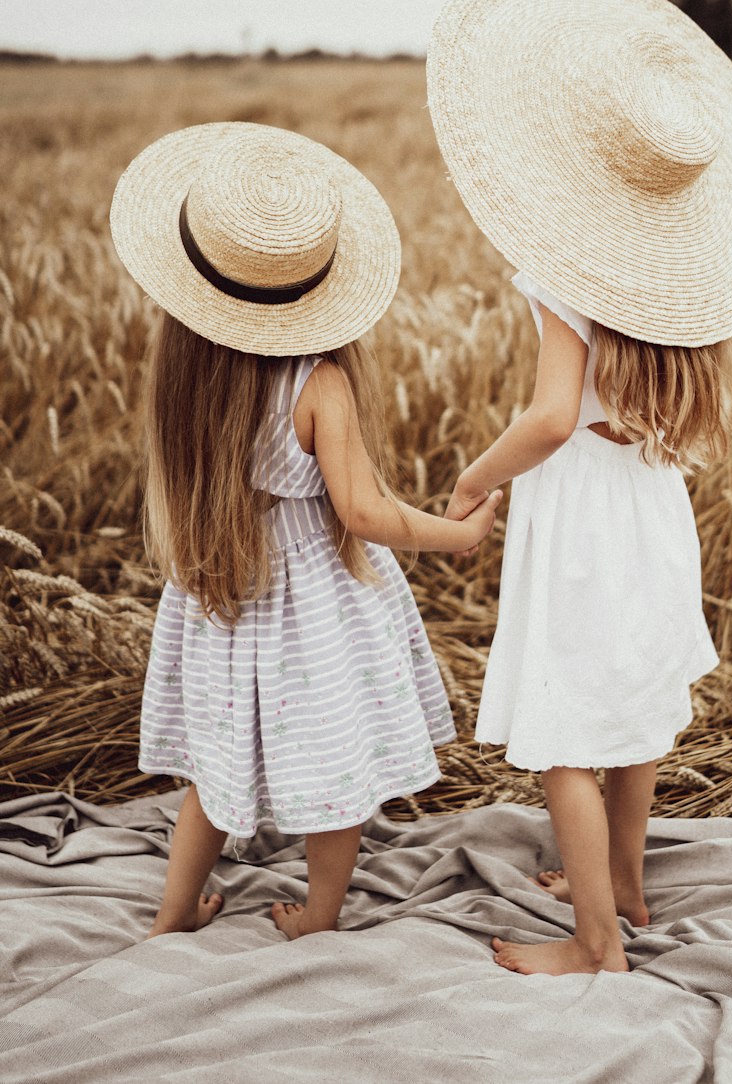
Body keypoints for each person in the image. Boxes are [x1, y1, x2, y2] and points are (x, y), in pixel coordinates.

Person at [426, 0, 732, 976]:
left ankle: (594, 945)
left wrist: (475, 476)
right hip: (649, 505)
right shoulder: (683, 288)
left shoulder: (564, 272)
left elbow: (549, 418)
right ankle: (621, 885)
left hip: (579, 512)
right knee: (630, 701)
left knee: (567, 732)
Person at [109, 122, 501, 940]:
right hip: (312, 599)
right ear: (317, 289)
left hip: (220, 586)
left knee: (213, 772)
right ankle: (319, 916)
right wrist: (454, 536)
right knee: (336, 759)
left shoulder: (186, 372)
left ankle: (171, 918)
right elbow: (362, 513)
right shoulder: (317, 381)